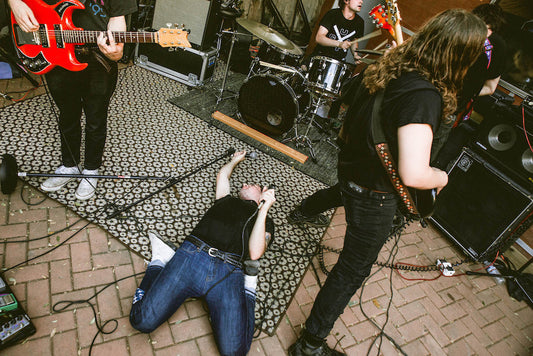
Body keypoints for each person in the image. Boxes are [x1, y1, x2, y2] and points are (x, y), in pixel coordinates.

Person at [288, 9, 487, 356]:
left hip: (353, 169)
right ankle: (309, 345)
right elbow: (413, 174)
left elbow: (348, 101)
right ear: (459, 56)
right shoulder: (424, 97)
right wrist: (442, 176)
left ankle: (304, 208)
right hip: (374, 192)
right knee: (352, 269)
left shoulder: (391, 65)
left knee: (344, 194)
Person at [129, 150, 275, 356]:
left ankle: (249, 288)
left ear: (262, 192)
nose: (243, 185)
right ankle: (159, 261)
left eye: (251, 185)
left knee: (235, 352)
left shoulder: (265, 220)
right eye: (243, 184)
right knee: (141, 321)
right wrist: (234, 161)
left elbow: (254, 253)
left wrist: (264, 209)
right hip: (193, 255)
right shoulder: (225, 200)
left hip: (229, 272)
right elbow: (223, 177)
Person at [8, 0, 137, 200]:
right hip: (54, 52)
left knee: (96, 117)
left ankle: (91, 170)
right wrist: (15, 4)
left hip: (97, 57)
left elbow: (117, 18)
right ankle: (69, 165)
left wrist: (117, 49)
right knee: (67, 113)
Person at [432, 3, 507, 170]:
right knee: (426, 157)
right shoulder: (499, 46)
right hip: (452, 110)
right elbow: (490, 88)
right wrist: (466, 94)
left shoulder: (461, 33)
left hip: (433, 101)